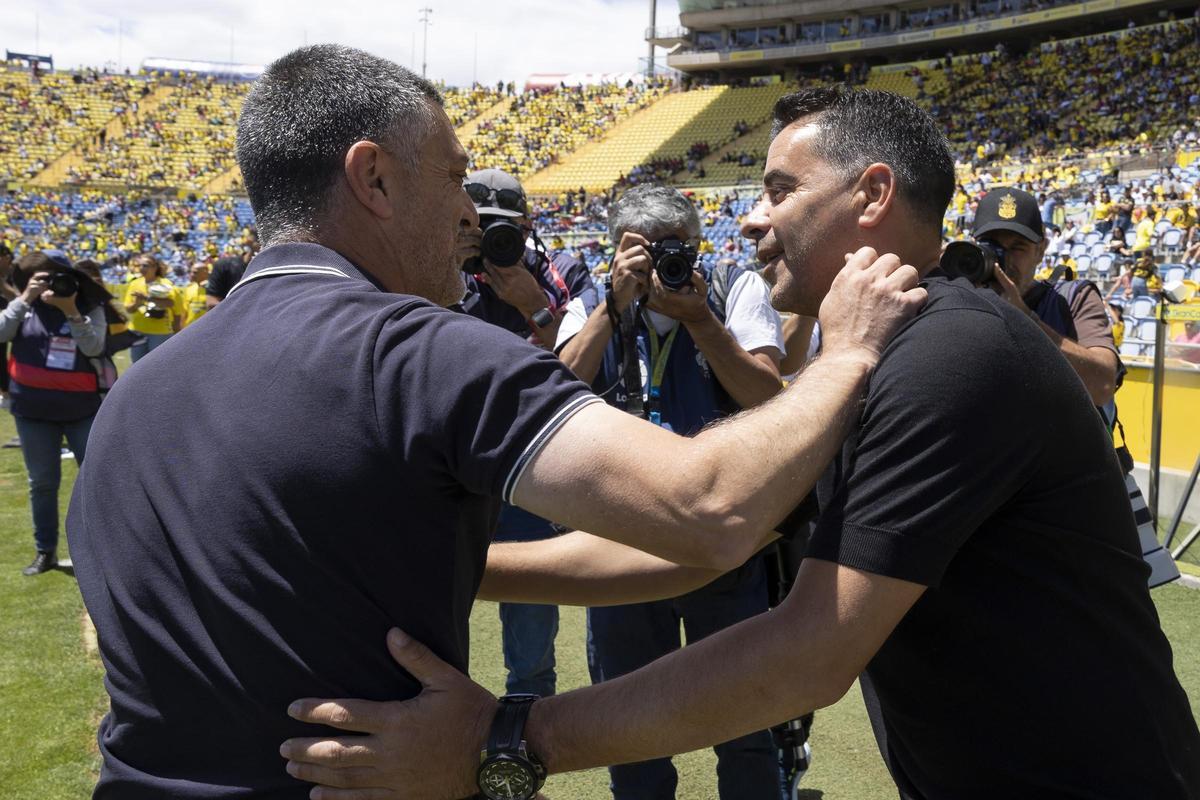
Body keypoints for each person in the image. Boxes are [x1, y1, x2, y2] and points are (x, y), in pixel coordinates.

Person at [281, 86, 1200, 800]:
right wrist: (465, 566)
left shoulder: (956, 353)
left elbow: (809, 653)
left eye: (779, 190)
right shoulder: (882, 351)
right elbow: (700, 544)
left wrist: (506, 739)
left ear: (873, 194)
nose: (751, 219)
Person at [67, 48, 921, 799]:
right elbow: (712, 509)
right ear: (373, 178)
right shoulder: (421, 352)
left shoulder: (135, 397)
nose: (472, 217)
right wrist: (845, 355)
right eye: (452, 178)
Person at [555, 185, 784, 800]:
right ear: (617, 249)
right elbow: (550, 394)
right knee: (628, 726)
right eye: (648, 250)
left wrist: (700, 320)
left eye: (676, 249)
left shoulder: (732, 289)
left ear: (698, 245)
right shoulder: (591, 300)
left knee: (743, 719)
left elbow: (769, 398)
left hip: (721, 543)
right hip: (621, 545)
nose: (665, 263)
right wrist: (612, 306)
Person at [457, 167, 599, 699]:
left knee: (531, 631)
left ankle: (525, 728)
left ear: (526, 226)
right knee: (430, 617)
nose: (491, 241)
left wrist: (533, 304)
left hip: (525, 466)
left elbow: (576, 373)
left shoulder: (561, 271)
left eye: (504, 229)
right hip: (449, 463)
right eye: (477, 226)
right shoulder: (435, 269)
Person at [1, 251, 107, 576]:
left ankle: (103, 551)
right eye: (45, 277)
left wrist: (71, 309)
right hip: (33, 411)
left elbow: (94, 347)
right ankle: (45, 551)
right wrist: (24, 297)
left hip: (82, 410)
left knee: (95, 480)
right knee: (42, 484)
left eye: (58, 276)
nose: (52, 284)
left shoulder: (89, 306)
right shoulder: (26, 306)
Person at [969, 187, 1122, 407]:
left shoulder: (1073, 299)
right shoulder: (961, 296)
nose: (1003, 260)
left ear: (1041, 250)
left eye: (1017, 247)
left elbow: (1103, 386)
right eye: (991, 247)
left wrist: (1025, 319)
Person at [122, 253, 183, 361]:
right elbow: (128, 309)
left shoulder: (165, 284)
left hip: (160, 332)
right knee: (137, 365)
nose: (142, 268)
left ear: (155, 267)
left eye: (145, 265)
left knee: (158, 364)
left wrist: (147, 298)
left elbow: (171, 304)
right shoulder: (135, 284)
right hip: (137, 331)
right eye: (140, 265)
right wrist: (136, 304)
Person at [181, 261, 210, 327]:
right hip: (190, 329)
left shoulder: (213, 289)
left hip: (206, 327)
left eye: (195, 272)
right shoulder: (189, 288)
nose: (191, 275)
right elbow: (184, 312)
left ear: (205, 273)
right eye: (190, 272)